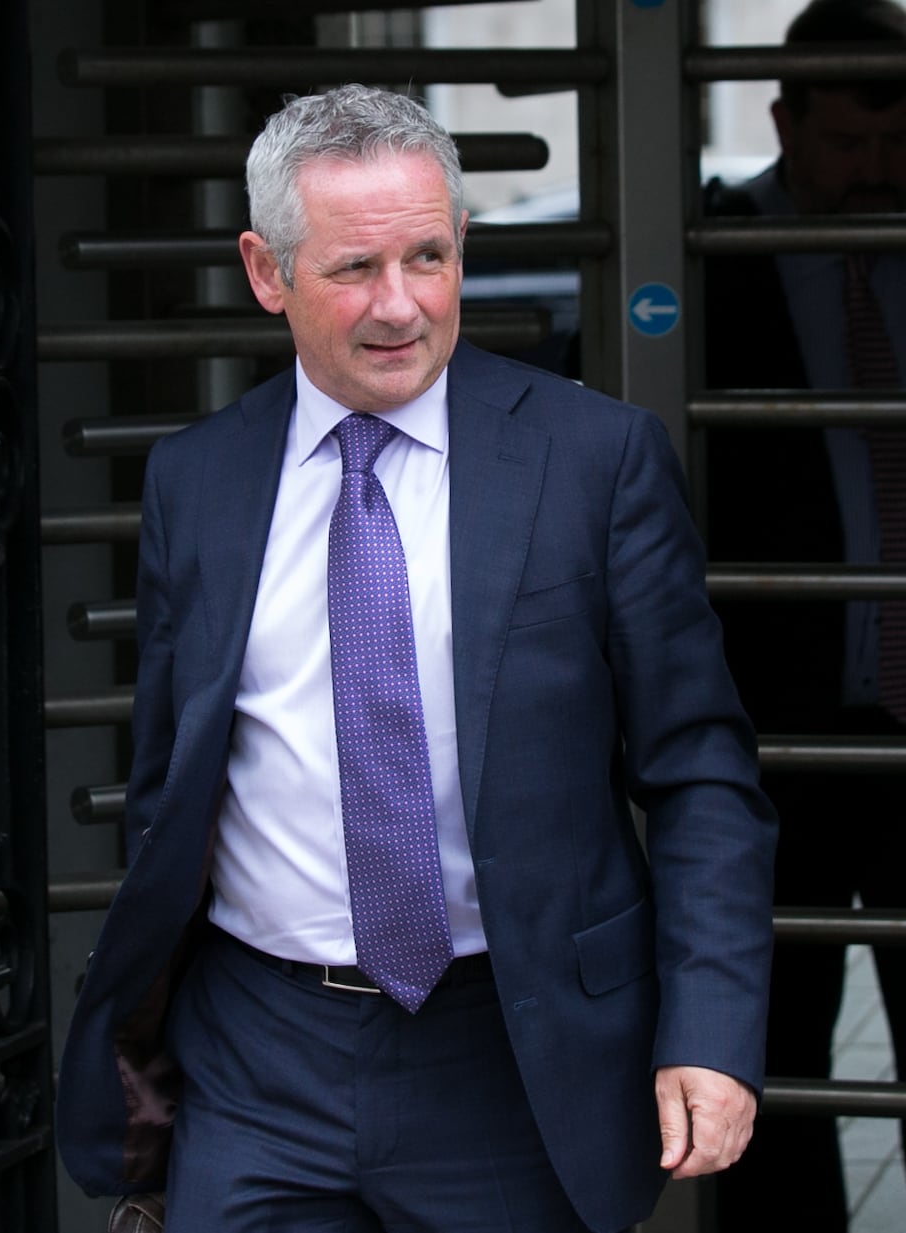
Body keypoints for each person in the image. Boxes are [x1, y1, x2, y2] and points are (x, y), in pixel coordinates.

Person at [55, 84, 776, 1233]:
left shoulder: (593, 462)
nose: (401, 307)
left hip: (504, 1048)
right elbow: (170, 776)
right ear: (264, 270)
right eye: (353, 270)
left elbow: (699, 774)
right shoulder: (198, 481)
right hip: (256, 1053)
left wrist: (709, 1032)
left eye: (428, 258)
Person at [703, 2, 906, 1229]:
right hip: (772, 730)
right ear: (783, 123)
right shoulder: (708, 264)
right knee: (775, 1053)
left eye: (896, 146)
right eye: (846, 148)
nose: (876, 173)